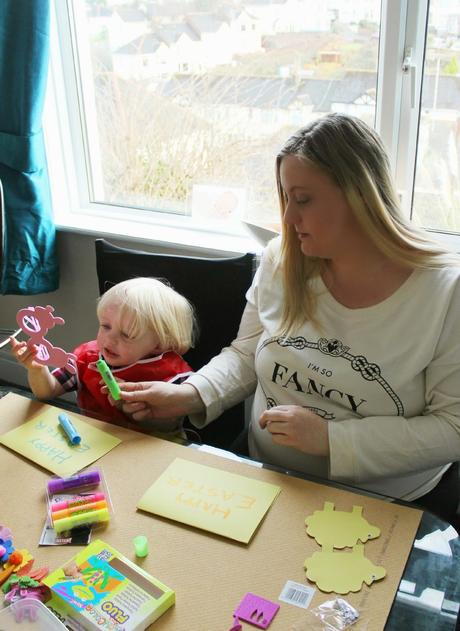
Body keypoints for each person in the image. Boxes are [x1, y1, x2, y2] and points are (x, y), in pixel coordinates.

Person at [116, 114, 460, 522]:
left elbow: (452, 428)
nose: (288, 219)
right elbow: (247, 353)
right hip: (268, 478)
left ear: (359, 196)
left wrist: (333, 440)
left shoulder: (444, 291)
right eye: (285, 199)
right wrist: (192, 393)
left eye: (303, 200)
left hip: (385, 503)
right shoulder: (283, 258)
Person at [10, 277, 195, 432]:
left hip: (148, 452)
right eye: (105, 326)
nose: (109, 340)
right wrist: (37, 370)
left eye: (127, 335)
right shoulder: (86, 357)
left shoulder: (174, 376)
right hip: (92, 442)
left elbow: (168, 428)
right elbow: (47, 392)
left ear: (159, 344)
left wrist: (135, 409)